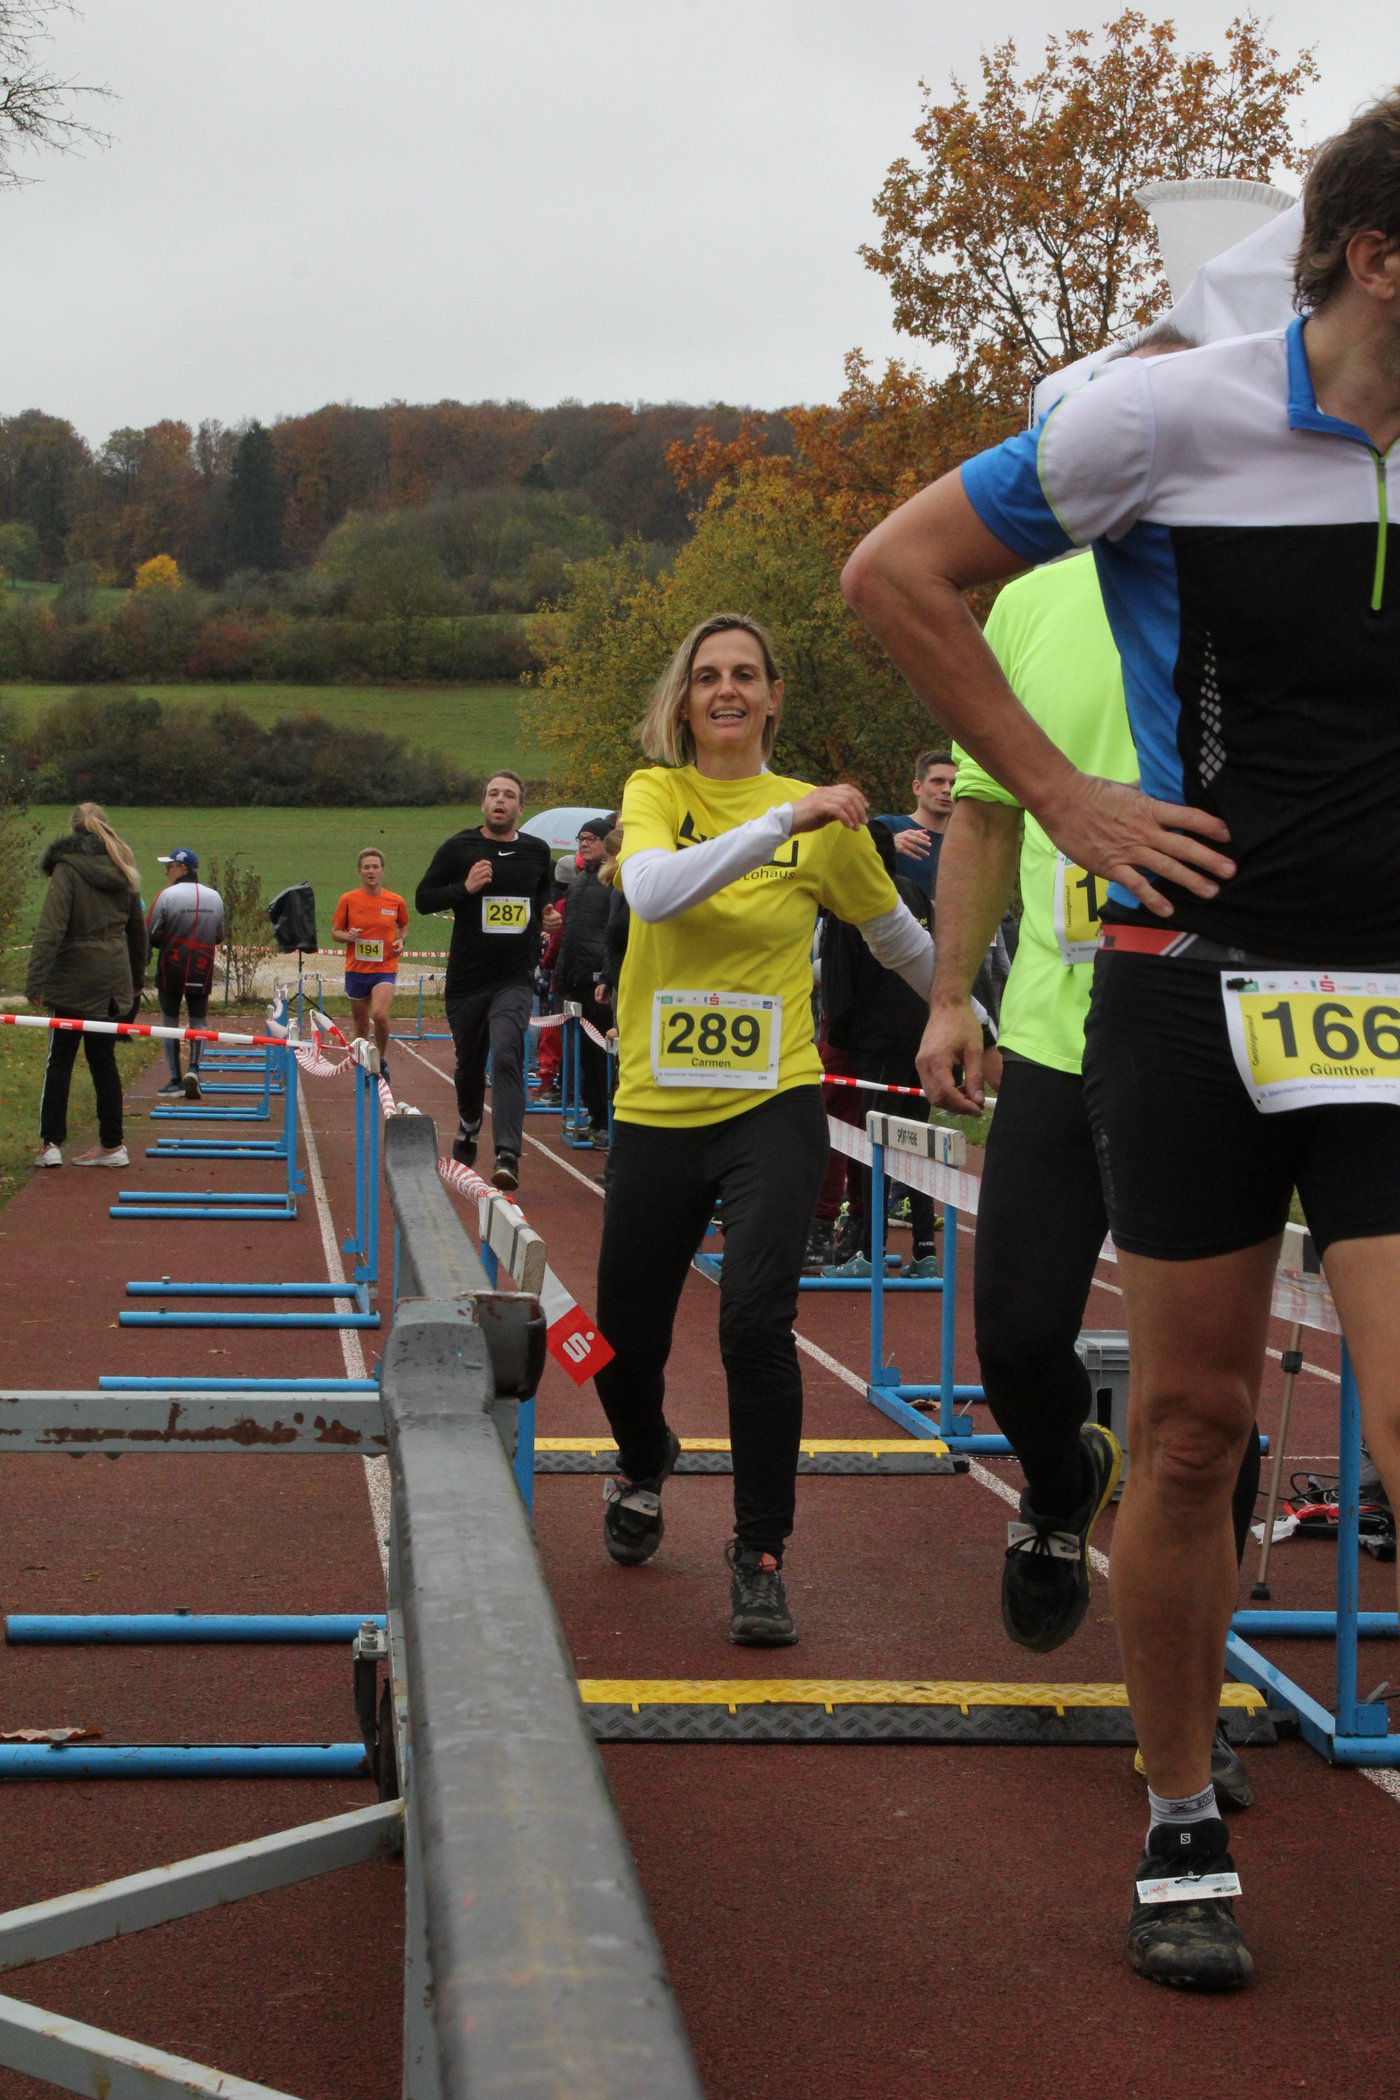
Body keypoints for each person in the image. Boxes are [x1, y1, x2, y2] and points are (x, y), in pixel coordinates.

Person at [841, 90, 1400, 1992]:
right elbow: (896, 574)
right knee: (1189, 1428)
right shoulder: (1166, 417)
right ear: (1377, 256)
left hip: (1390, 998)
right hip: (1188, 985)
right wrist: (1066, 796)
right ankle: (1177, 1817)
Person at [927, 548, 1259, 1800]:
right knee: (1015, 1337)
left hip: (1219, 1040)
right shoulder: (1029, 600)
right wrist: (949, 997)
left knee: (1204, 1403)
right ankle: (1064, 1485)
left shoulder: (1273, 566)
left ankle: (1192, 1707)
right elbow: (980, 817)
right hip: (1059, 1041)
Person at [594, 612, 932, 1644]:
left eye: (745, 674)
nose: (727, 691)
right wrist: (784, 820)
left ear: (773, 696)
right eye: (708, 676)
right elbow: (654, 892)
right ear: (685, 698)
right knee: (620, 1342)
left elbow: (892, 935)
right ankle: (644, 1458)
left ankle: (760, 1552)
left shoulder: (823, 821)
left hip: (771, 1102)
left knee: (753, 1322)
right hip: (657, 1107)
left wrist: (973, 1016)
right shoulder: (658, 794)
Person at [415, 770, 558, 1192]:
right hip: (467, 979)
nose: (500, 800)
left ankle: (508, 1155)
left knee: (508, 1053)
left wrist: (547, 913)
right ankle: (469, 1123)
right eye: (493, 794)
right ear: (483, 804)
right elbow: (423, 899)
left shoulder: (536, 851)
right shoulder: (459, 847)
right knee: (469, 1066)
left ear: (520, 808)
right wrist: (465, 887)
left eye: (508, 795)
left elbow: (544, 894)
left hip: (514, 976)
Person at [819, 821, 940, 1278]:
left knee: (877, 1143)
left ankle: (869, 1254)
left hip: (878, 1040)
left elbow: (839, 981)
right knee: (917, 1141)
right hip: (923, 1033)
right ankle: (925, 1251)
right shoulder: (914, 892)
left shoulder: (850, 900)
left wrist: (841, 1038)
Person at [27, 802, 147, 1169]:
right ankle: (113, 1144)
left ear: (73, 829)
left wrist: (35, 980)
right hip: (112, 978)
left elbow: (52, 927)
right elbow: (137, 930)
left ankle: (51, 1144)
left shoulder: (68, 868)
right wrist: (136, 980)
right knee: (103, 1059)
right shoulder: (122, 863)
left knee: (60, 1060)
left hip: (72, 978)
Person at [554, 816, 616, 1148]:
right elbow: (567, 936)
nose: (584, 843)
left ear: (608, 842)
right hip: (575, 982)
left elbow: (615, 935)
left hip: (602, 985)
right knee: (584, 1058)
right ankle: (596, 1117)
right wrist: (560, 978)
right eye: (581, 838)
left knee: (605, 1056)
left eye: (591, 838)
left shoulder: (616, 880)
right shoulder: (577, 884)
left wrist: (607, 975)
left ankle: (610, 1122)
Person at [146, 848, 226, 1101]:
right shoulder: (215, 897)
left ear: (182, 868)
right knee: (198, 1021)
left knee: (169, 1023)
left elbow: (152, 933)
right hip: (202, 966)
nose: (166, 872)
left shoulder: (166, 895)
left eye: (169, 867)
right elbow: (219, 935)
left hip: (171, 966)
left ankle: (175, 1080)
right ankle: (194, 1070)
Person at [330, 849, 408, 1082]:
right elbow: (335, 932)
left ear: (382, 871)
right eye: (366, 867)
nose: (371, 871)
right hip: (356, 969)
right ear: (359, 871)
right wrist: (347, 936)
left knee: (380, 1015)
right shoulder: (348, 900)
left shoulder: (395, 901)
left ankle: (380, 1059)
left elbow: (404, 925)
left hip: (384, 967)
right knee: (361, 1025)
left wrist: (401, 940)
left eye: (375, 867)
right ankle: (364, 1065)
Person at [878, 749, 958, 901]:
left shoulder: (964, 844)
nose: (947, 790)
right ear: (917, 787)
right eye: (938, 781)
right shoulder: (885, 827)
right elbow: (849, 865)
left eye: (954, 783)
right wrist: (886, 846)